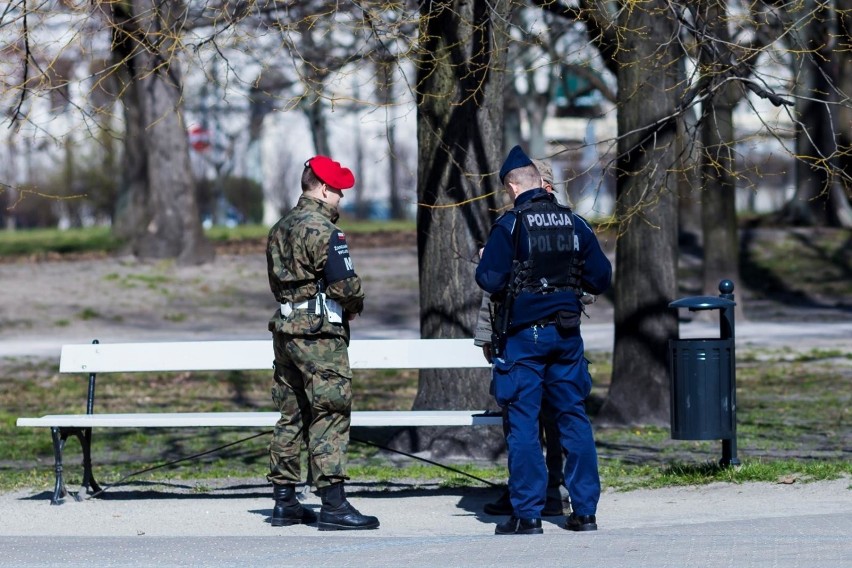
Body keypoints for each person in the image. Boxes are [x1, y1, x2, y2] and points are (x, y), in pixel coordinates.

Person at [476, 145, 612, 535]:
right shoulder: (576, 224)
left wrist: (491, 259)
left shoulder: (511, 225)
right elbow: (600, 278)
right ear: (541, 183)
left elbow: (490, 280)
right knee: (573, 419)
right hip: (567, 336)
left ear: (513, 186)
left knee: (523, 424)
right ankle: (585, 512)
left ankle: (528, 514)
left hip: (523, 340)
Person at [265, 155, 379, 531]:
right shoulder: (325, 232)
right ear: (324, 188)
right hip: (319, 336)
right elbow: (346, 286)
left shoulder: (279, 228)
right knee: (330, 412)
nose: (341, 199)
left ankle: (285, 502)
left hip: (286, 331)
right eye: (339, 191)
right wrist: (355, 303)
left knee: (291, 414)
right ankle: (333, 505)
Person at [475, 158, 567, 518]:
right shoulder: (511, 226)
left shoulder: (563, 225)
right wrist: (486, 337)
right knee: (519, 419)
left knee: (555, 418)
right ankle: (522, 491)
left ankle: (552, 490)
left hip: (550, 336)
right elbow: (491, 295)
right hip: (512, 335)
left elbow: (584, 287)